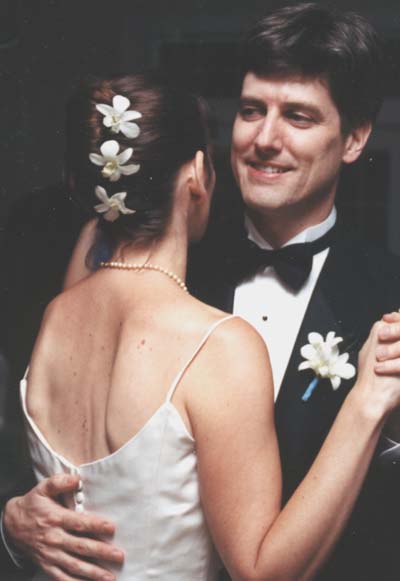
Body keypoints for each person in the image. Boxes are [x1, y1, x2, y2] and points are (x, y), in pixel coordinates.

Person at [2, 3, 400, 580]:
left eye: (298, 117)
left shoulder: (388, 293)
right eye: (251, 110)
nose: (265, 139)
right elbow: (70, 467)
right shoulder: (154, 264)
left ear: (355, 138)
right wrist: (13, 522)